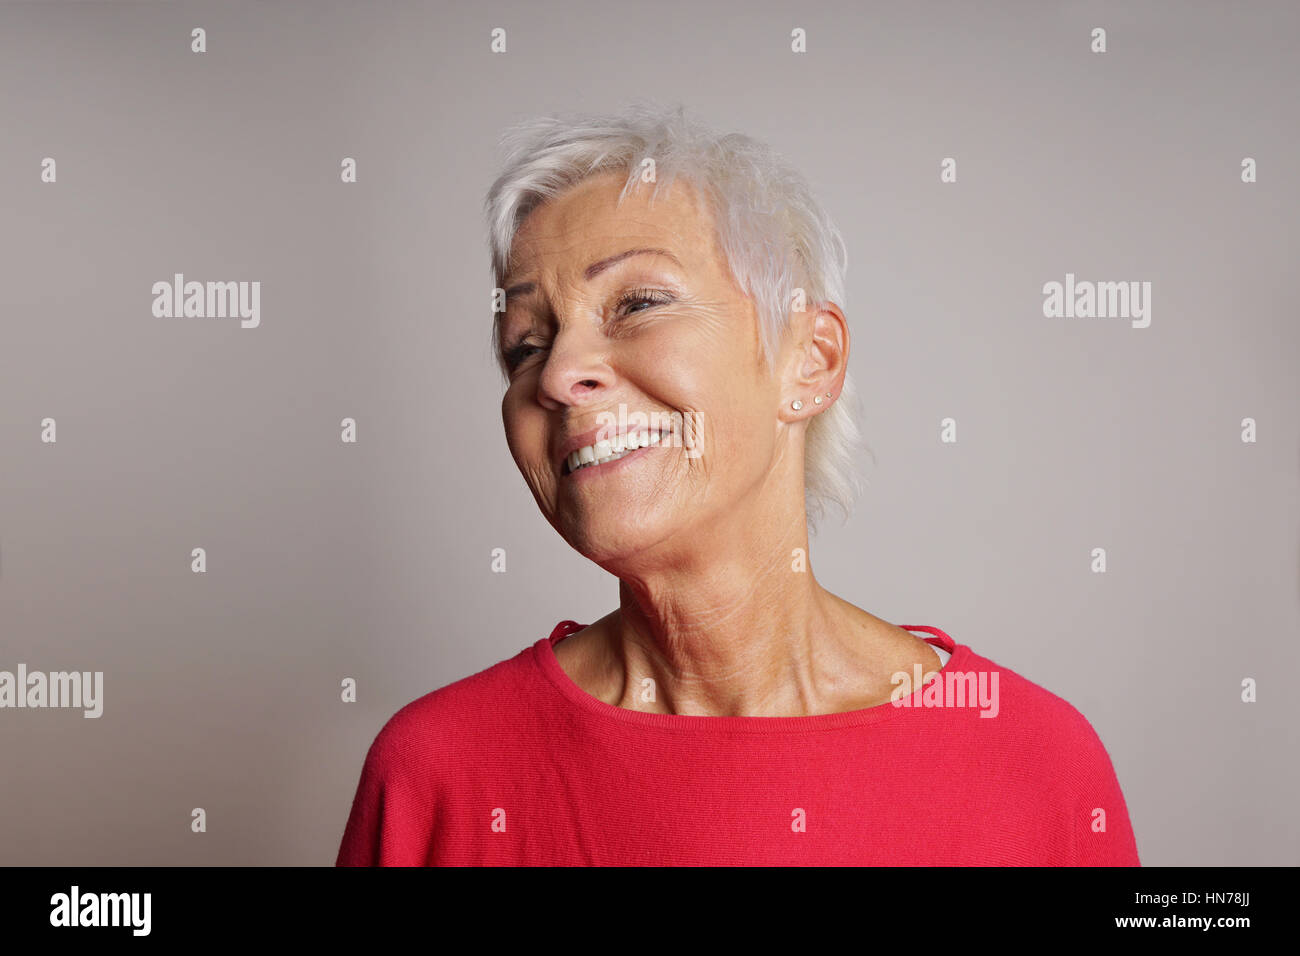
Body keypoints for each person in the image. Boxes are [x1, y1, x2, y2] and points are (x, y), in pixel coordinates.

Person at [336, 103, 1140, 866]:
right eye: (524, 346)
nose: (560, 374)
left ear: (810, 360)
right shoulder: (436, 773)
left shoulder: (1033, 762)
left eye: (638, 304)